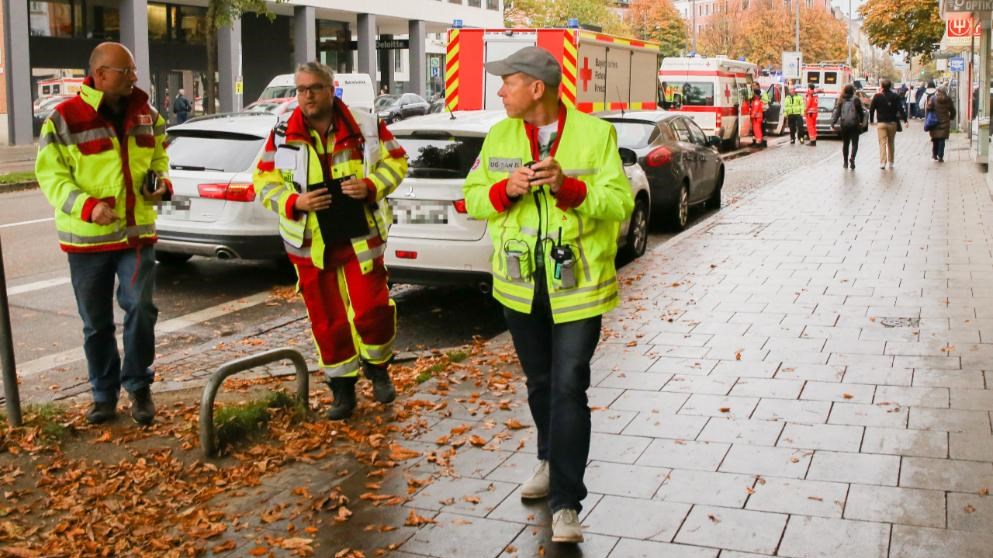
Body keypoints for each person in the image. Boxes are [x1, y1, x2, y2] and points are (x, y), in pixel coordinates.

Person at [462, 46, 633, 544]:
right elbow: (471, 197)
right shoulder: (499, 135)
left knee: (568, 386)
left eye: (508, 82)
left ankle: (566, 503)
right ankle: (547, 457)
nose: (500, 91)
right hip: (520, 287)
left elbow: (619, 202)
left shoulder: (596, 134)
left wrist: (569, 188)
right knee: (539, 383)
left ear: (537, 88)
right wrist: (505, 190)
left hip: (577, 288)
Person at [253, 62, 408, 420]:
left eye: (314, 88)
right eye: (301, 89)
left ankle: (378, 367)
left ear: (331, 89)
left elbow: (397, 162)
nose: (307, 96)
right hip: (311, 241)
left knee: (372, 310)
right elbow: (263, 181)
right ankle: (342, 388)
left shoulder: (365, 125)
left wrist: (370, 186)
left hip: (360, 236)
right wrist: (295, 202)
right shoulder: (282, 133)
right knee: (327, 320)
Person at [35, 42, 171, 426]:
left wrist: (159, 183)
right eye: (126, 71)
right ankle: (103, 394)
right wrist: (87, 206)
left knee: (141, 308)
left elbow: (159, 157)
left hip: (136, 235)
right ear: (100, 75)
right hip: (87, 241)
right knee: (96, 324)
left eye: (133, 70)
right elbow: (51, 177)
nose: (134, 77)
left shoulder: (148, 114)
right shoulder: (63, 119)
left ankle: (139, 387)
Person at [869, 78, 907, 170]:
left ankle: (882, 162)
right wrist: (905, 120)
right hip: (892, 123)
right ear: (890, 86)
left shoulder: (877, 96)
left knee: (882, 142)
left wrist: (871, 121)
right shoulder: (895, 96)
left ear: (881, 86)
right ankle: (891, 162)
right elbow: (900, 109)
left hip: (881, 123)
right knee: (891, 142)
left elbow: (871, 109)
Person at [831, 84, 866, 170]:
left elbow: (837, 112)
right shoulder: (856, 99)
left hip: (844, 124)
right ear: (853, 91)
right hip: (854, 124)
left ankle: (845, 162)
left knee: (845, 144)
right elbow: (860, 112)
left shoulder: (841, 99)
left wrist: (833, 122)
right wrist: (861, 122)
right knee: (855, 143)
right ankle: (852, 158)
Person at [926, 86, 956, 162]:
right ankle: (941, 156)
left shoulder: (933, 98)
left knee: (935, 139)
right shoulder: (948, 99)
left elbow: (928, 108)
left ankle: (934, 155)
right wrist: (951, 117)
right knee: (942, 139)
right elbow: (953, 110)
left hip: (934, 122)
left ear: (938, 91)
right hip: (945, 122)